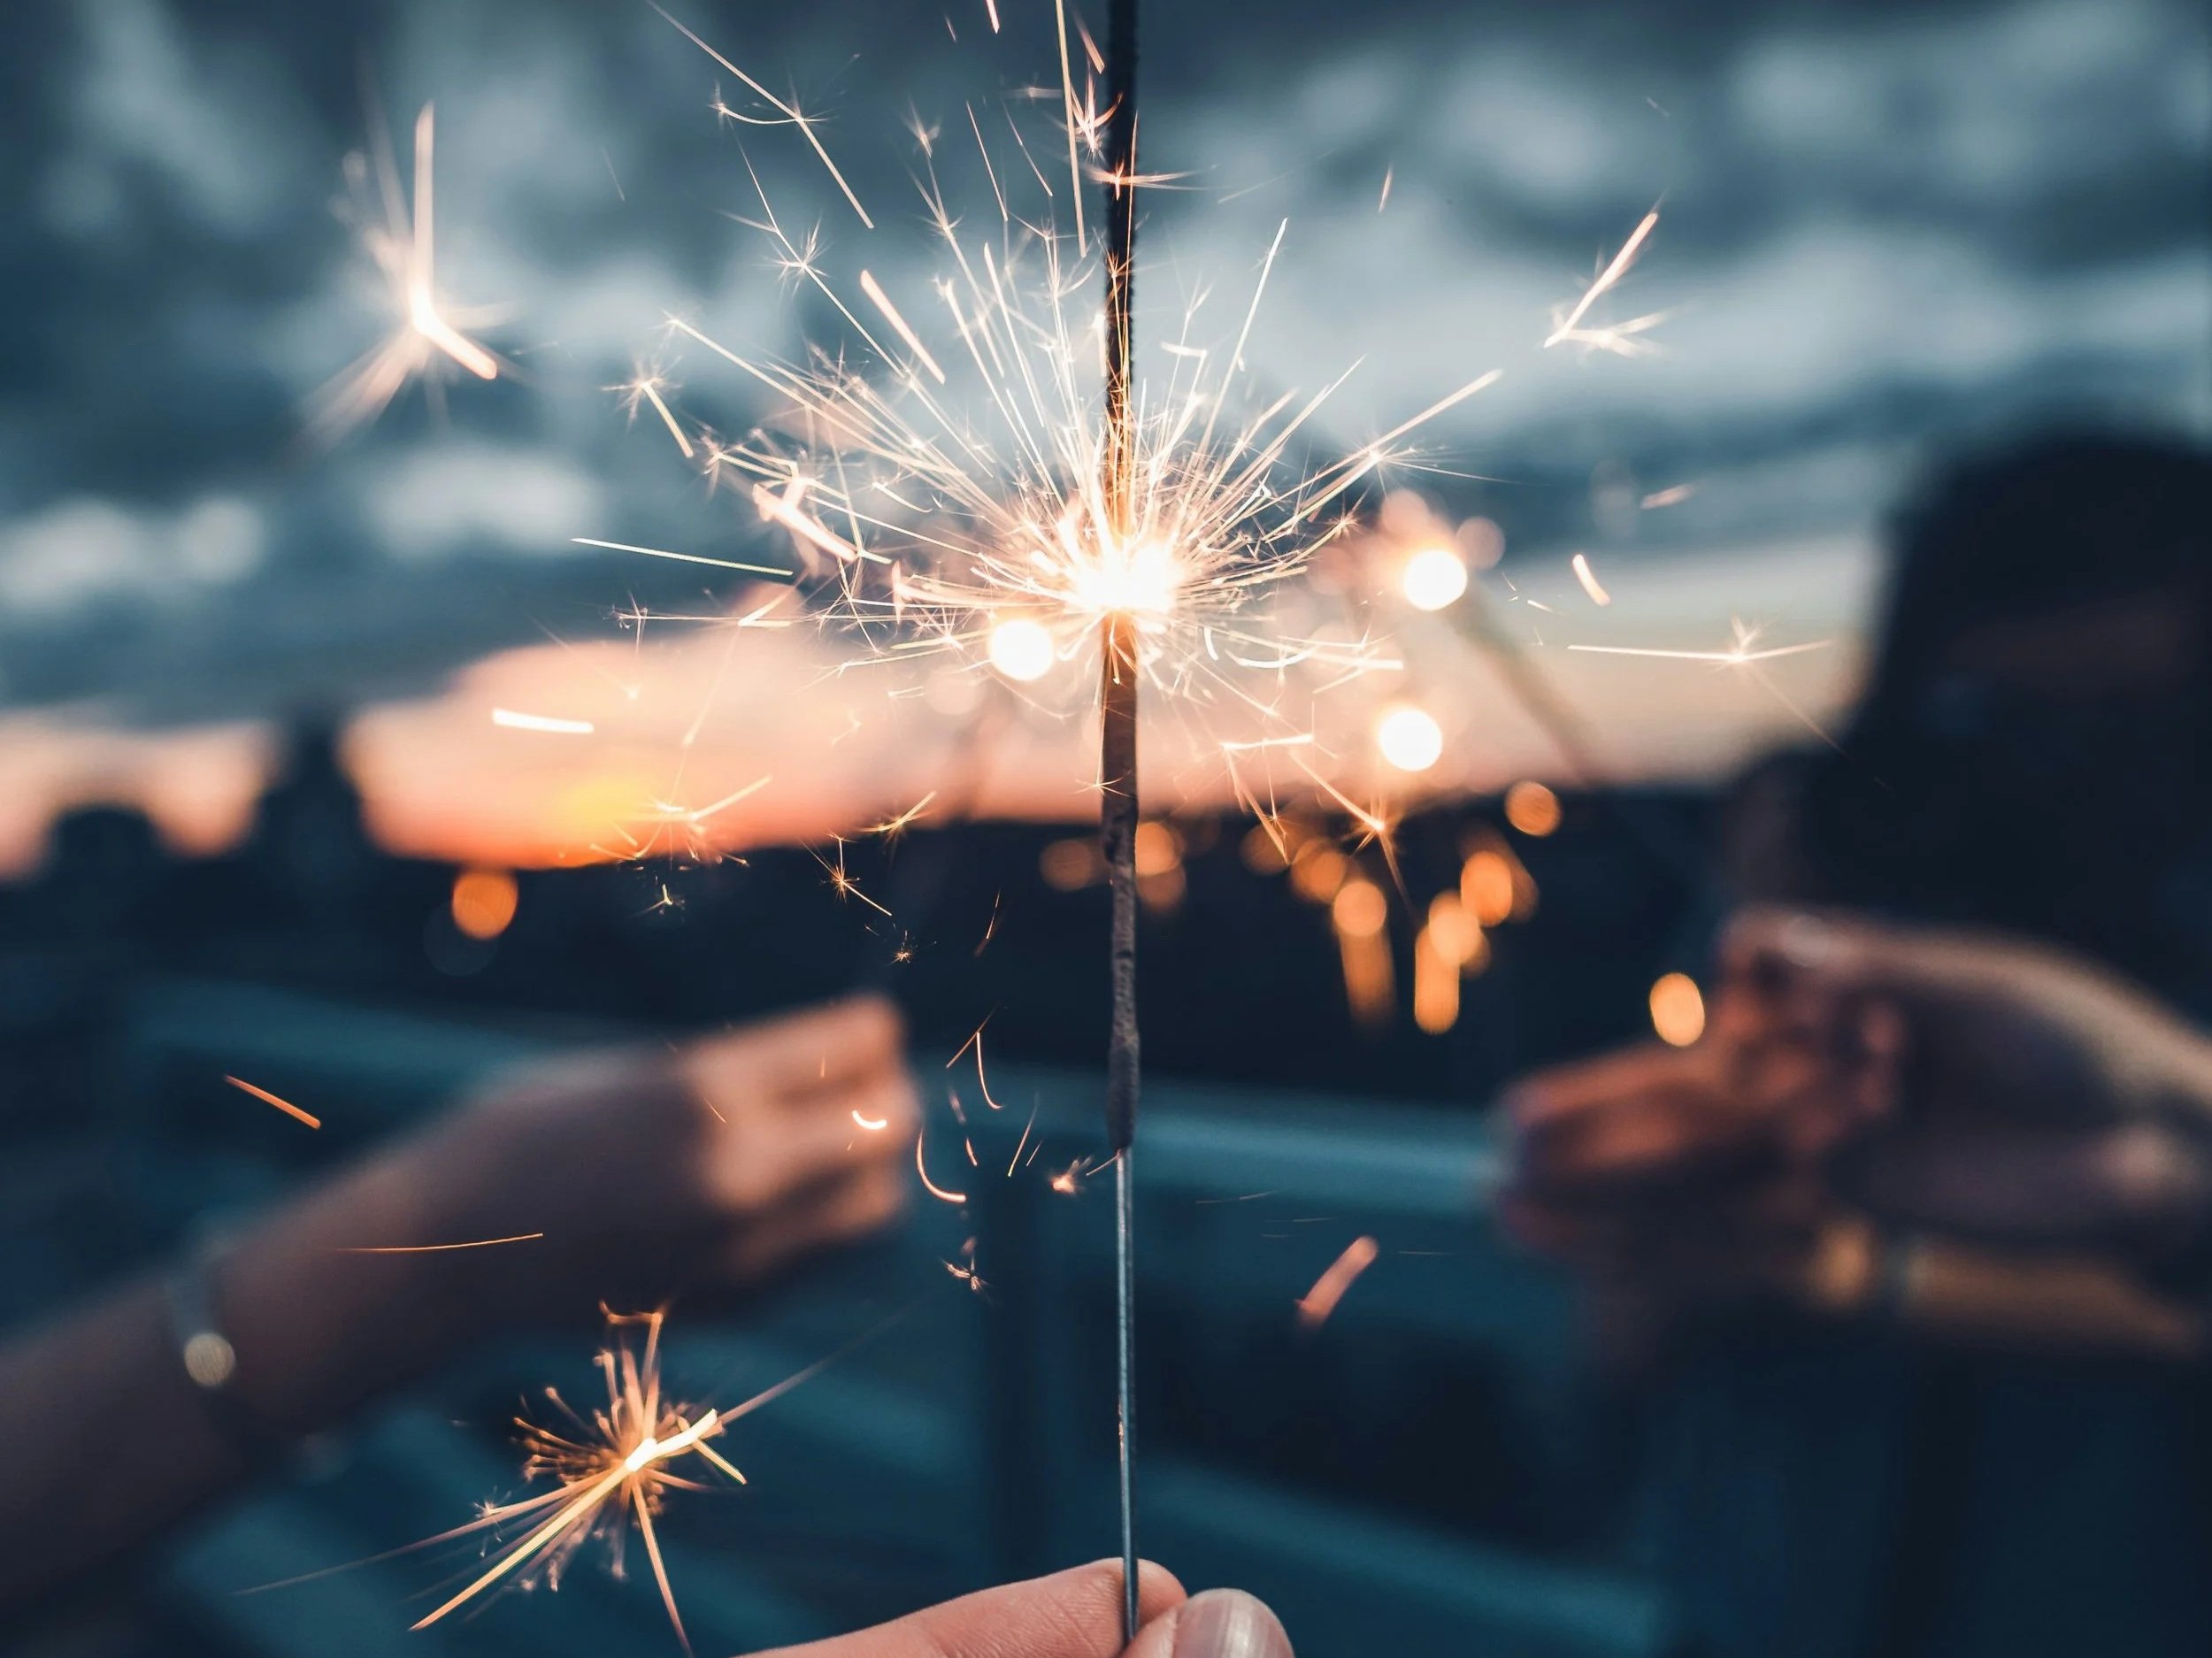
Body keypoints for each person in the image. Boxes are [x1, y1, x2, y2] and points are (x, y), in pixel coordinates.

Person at [1502, 433, 2212, 1657]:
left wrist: (1866, 1274)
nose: (2049, 803)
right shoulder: (1832, 919)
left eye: (2129, 742)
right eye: (1995, 731)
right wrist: (1676, 1178)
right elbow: (1611, 1346)